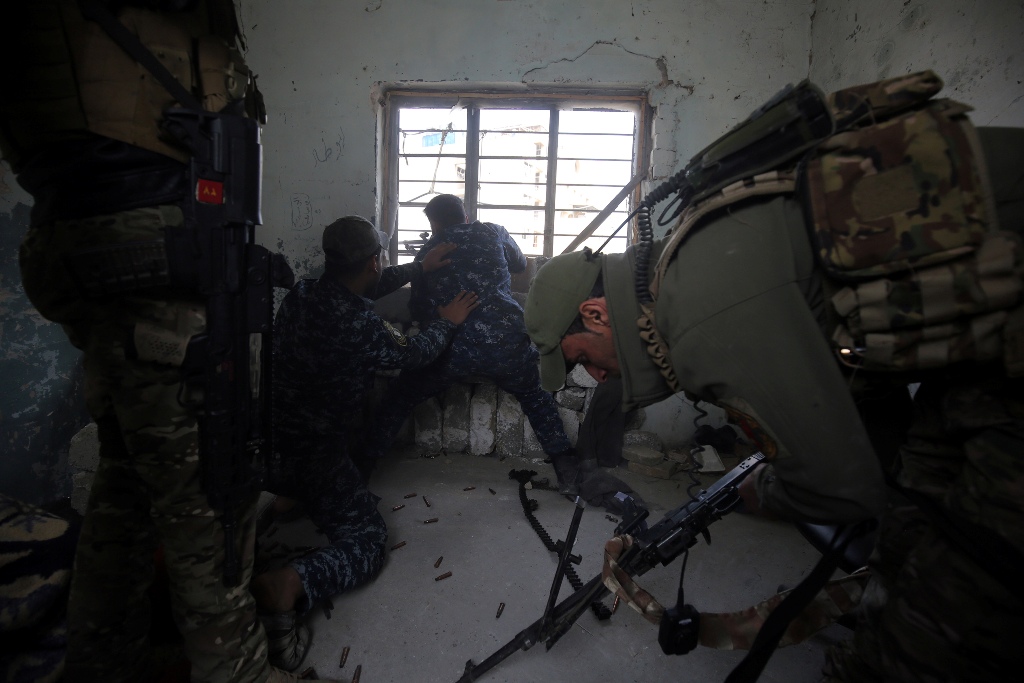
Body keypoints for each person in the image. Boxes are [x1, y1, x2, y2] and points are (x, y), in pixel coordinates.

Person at [522, 80, 1024, 680]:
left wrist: (764, 490)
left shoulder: (699, 311)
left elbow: (840, 489)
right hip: (983, 343)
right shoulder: (683, 268)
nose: (596, 375)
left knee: (956, 598)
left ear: (597, 314)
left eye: (583, 358)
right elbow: (864, 388)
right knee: (913, 512)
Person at [0, 2, 339, 681]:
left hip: (87, 237)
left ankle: (102, 660)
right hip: (160, 244)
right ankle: (236, 669)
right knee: (211, 504)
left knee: (128, 475)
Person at [255, 215, 478, 670]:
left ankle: (283, 501)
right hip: (315, 458)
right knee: (370, 541)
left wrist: (419, 268)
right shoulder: (359, 324)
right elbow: (413, 354)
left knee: (307, 470)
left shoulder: (302, 294)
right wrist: (447, 322)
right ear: (374, 261)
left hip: (266, 447)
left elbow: (360, 289)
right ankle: (289, 584)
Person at [365, 194, 580, 491]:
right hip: (505, 345)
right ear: (465, 216)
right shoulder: (493, 231)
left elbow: (418, 308)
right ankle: (567, 469)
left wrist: (441, 315)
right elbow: (519, 264)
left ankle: (362, 465)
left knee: (400, 398)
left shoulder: (429, 252)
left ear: (434, 224)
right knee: (535, 397)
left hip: (450, 350)